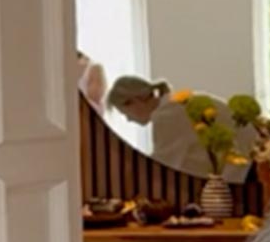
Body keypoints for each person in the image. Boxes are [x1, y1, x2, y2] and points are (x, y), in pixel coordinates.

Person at [106, 74, 258, 183]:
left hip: (248, 166)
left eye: (125, 113)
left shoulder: (167, 115)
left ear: (134, 101)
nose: (128, 119)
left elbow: (161, 166)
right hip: (249, 161)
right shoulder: (175, 104)